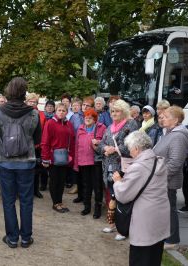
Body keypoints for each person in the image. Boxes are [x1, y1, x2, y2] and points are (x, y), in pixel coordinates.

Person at [0, 77, 41, 248]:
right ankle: (26, 238)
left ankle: (12, 238)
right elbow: (37, 138)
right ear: (24, 92)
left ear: (9, 91)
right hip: (26, 162)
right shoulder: (33, 112)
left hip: (5, 162)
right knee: (27, 200)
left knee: (8, 200)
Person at [113, 131, 169, 266]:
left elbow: (123, 195)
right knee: (154, 257)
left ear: (137, 148)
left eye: (130, 148)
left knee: (140, 258)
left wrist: (118, 181)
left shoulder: (138, 167)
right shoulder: (158, 160)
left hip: (145, 220)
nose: (129, 151)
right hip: (160, 216)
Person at [97, 99, 139, 241]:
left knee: (123, 198)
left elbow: (134, 144)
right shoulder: (110, 127)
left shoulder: (131, 124)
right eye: (112, 111)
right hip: (109, 166)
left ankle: (123, 230)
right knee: (112, 196)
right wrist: (104, 148)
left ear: (124, 111)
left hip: (123, 167)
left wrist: (114, 149)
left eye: (117, 111)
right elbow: (102, 142)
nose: (114, 113)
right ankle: (113, 223)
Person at [153, 106, 188, 250]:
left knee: (169, 209)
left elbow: (175, 162)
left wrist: (159, 177)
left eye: (166, 116)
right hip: (161, 178)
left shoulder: (178, 136)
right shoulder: (169, 132)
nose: (163, 118)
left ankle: (173, 239)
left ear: (176, 120)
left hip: (167, 181)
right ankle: (164, 236)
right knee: (164, 210)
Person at [41, 103, 75, 213]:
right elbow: (45, 142)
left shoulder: (68, 124)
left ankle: (60, 201)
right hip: (53, 156)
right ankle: (55, 203)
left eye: (63, 111)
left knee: (62, 181)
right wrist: (45, 158)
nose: (61, 112)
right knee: (54, 180)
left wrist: (71, 156)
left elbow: (72, 141)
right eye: (59, 110)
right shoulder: (50, 123)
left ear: (66, 112)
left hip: (65, 156)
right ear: (56, 111)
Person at [74, 109, 106, 218]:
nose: (87, 119)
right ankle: (86, 207)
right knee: (86, 186)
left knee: (97, 186)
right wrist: (76, 163)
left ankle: (97, 208)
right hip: (83, 161)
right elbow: (76, 146)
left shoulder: (102, 128)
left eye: (90, 117)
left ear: (95, 119)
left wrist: (98, 142)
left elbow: (106, 143)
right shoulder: (80, 128)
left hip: (96, 161)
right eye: (86, 117)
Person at [25, 93, 46, 198]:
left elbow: (43, 130)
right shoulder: (23, 113)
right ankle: (26, 191)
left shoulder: (41, 114)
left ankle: (35, 190)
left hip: (37, 145)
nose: (32, 103)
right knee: (25, 169)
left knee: (37, 169)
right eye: (30, 101)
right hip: (25, 145)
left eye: (34, 101)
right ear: (26, 102)